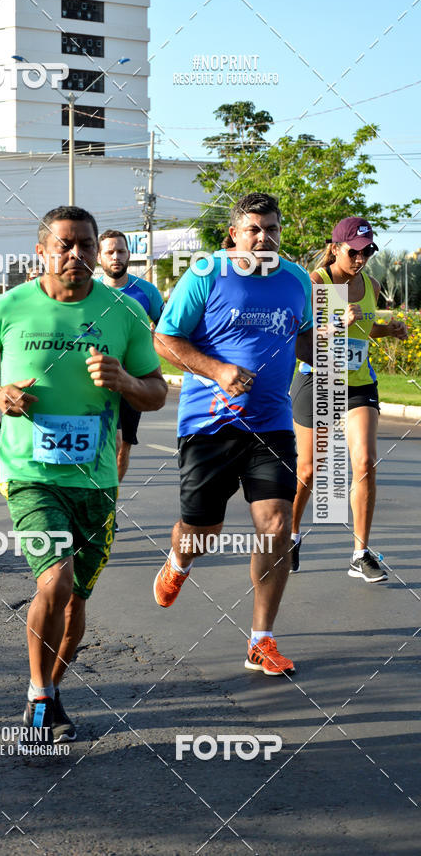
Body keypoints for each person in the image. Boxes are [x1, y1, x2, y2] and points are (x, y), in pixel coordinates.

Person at [0, 205, 167, 740]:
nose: (76, 254)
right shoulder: (9, 307)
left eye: (85, 245)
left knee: (76, 602)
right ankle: (40, 694)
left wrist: (124, 382)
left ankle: (47, 690)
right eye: (64, 245)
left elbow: (157, 390)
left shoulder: (123, 311)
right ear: (42, 251)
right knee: (56, 578)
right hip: (30, 475)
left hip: (95, 480)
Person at [153, 192, 313, 677]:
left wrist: (328, 344)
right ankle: (179, 562)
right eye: (254, 229)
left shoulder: (297, 279)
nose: (264, 238)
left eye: (273, 229)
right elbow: (165, 339)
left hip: (271, 422)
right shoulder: (206, 273)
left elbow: (302, 335)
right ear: (234, 234)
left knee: (277, 525)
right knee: (204, 531)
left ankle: (261, 639)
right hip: (209, 423)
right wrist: (219, 370)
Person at [290, 217, 408, 581]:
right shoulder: (317, 284)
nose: (361, 258)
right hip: (319, 380)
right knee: (310, 469)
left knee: (365, 462)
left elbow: (365, 325)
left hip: (358, 384)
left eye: (368, 250)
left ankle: (360, 553)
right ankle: (291, 535)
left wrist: (388, 330)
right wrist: (337, 323)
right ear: (336, 247)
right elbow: (299, 335)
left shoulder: (369, 284)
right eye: (354, 251)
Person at [97, 229, 165, 483]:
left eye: (121, 251)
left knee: (123, 446)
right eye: (109, 252)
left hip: (132, 380)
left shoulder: (146, 292)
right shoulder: (90, 291)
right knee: (109, 441)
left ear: (129, 254)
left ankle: (109, 507)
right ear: (98, 257)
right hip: (97, 378)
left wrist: (152, 340)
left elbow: (168, 332)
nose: (116, 256)